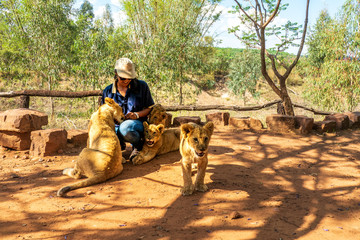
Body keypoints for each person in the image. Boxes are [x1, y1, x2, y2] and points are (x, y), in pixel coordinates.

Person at [101, 58, 154, 161]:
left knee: (125, 127)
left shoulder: (142, 86)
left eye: (129, 78)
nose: (126, 80)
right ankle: (119, 145)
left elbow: (149, 108)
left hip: (137, 124)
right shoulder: (108, 91)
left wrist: (137, 115)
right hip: (115, 127)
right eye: (122, 78)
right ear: (116, 73)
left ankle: (138, 146)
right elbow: (104, 114)